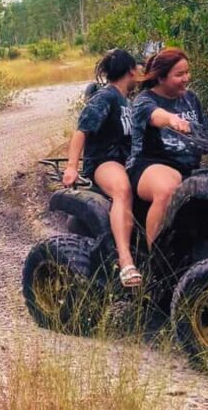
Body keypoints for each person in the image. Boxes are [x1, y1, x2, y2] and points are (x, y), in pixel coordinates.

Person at [127, 47, 208, 249]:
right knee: (168, 189)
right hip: (150, 165)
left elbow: (207, 130)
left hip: (190, 167)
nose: (186, 78)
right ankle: (156, 260)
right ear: (161, 78)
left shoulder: (190, 98)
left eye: (187, 72)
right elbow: (156, 115)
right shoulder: (145, 101)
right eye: (179, 74)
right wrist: (171, 119)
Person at [62, 49, 144, 288]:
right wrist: (71, 167)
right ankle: (125, 260)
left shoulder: (127, 101)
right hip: (103, 161)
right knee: (122, 190)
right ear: (131, 70)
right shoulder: (105, 97)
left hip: (126, 161)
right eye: (137, 68)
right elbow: (81, 131)